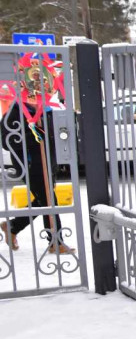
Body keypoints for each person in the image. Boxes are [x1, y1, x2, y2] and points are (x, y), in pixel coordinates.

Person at [0, 62, 75, 254]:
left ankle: (13, 226)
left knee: (45, 199)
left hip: (48, 161)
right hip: (30, 163)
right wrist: (32, 142)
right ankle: (55, 242)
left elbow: (58, 135)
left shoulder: (48, 110)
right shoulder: (16, 111)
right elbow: (8, 141)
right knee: (49, 200)